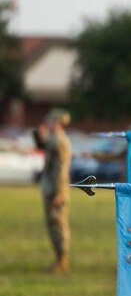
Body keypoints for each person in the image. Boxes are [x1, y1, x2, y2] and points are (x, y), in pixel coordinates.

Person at [33, 108, 73, 273]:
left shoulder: (61, 141)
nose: (48, 123)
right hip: (51, 188)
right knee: (51, 223)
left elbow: (62, 169)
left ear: (57, 122)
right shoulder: (54, 139)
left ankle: (62, 261)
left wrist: (60, 193)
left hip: (57, 189)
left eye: (51, 121)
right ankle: (58, 259)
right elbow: (42, 145)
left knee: (58, 223)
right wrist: (38, 134)